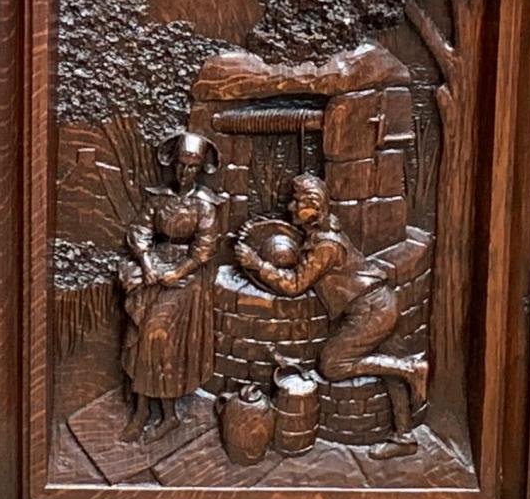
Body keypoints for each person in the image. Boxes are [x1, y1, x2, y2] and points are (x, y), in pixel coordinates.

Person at [233, 173, 428, 422]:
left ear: (314, 207)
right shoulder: (322, 230)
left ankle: (412, 369)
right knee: (388, 366)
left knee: (332, 365)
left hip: (369, 310)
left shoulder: (326, 246)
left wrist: (257, 264)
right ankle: (403, 434)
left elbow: (294, 284)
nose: (291, 207)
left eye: (298, 203)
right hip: (379, 303)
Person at [115, 131, 223, 439]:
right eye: (180, 164)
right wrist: (147, 263)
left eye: (191, 166)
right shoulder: (158, 198)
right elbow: (141, 230)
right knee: (141, 340)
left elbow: (204, 247)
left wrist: (178, 273)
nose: (184, 172)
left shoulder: (205, 205)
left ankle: (166, 414)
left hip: (186, 278)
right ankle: (141, 411)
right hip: (156, 266)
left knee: (159, 341)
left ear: (200, 168)